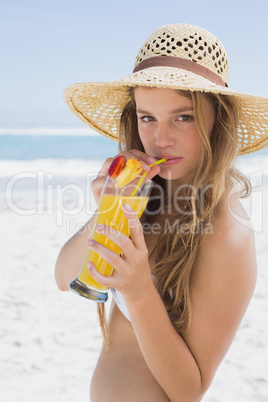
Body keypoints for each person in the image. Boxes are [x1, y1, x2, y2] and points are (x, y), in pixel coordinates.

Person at [55, 23, 268, 401]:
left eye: (182, 117)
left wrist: (139, 292)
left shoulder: (226, 232)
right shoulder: (146, 198)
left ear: (216, 120)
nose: (160, 138)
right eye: (147, 117)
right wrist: (104, 211)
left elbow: (189, 390)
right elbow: (64, 276)